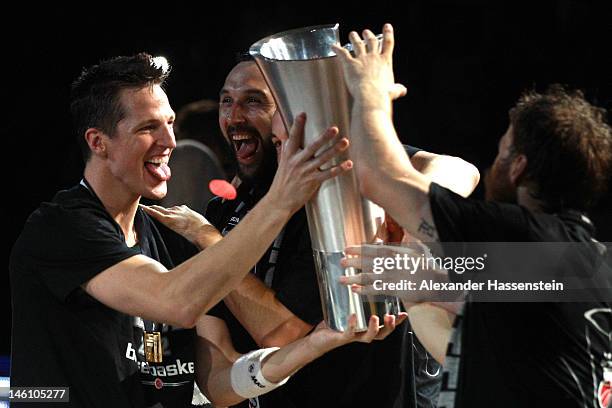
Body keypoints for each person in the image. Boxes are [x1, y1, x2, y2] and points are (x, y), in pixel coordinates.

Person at [9, 52, 398, 408]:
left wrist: (318, 342)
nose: (170, 142)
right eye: (148, 128)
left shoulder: (175, 239)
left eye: (170, 124)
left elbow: (221, 383)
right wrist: (281, 201)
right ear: (99, 142)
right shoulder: (61, 227)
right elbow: (175, 301)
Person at [154, 55, 480, 408]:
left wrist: (413, 223)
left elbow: (456, 169)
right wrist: (210, 240)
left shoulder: (336, 194)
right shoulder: (222, 212)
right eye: (227, 101)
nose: (234, 116)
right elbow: (218, 384)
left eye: (253, 101)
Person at [334, 24, 612, 407]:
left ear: (518, 167)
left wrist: (370, 91)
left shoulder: (523, 236)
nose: (494, 163)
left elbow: (377, 176)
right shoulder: (592, 260)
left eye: (501, 152)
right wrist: (418, 277)